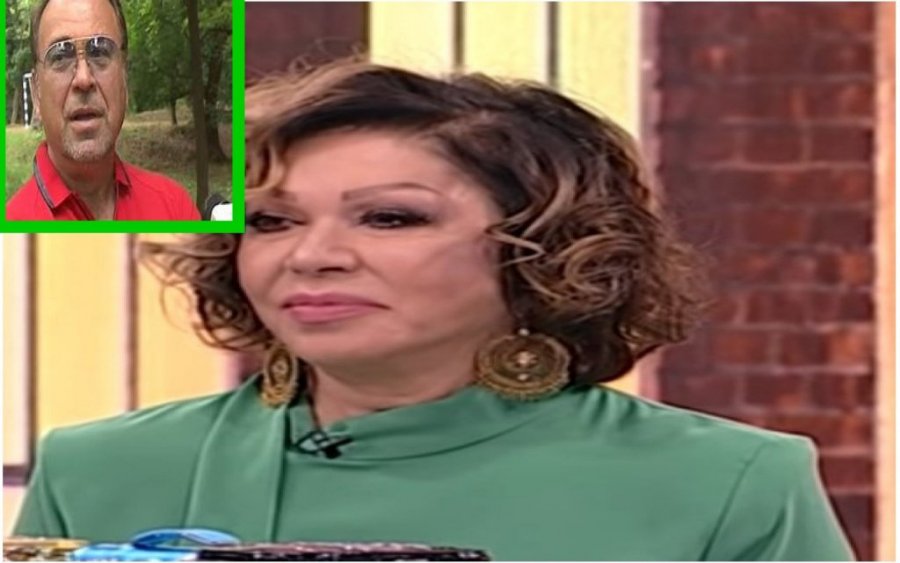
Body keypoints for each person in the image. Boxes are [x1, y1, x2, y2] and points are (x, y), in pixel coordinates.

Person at [12, 59, 854, 561]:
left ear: (541, 246)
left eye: (390, 217)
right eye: (271, 221)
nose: (312, 254)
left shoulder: (728, 483)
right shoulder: (101, 468)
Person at [5, 0, 200, 221]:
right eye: (60, 56)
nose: (83, 79)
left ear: (124, 78)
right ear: (36, 91)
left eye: (99, 51)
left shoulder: (174, 209)